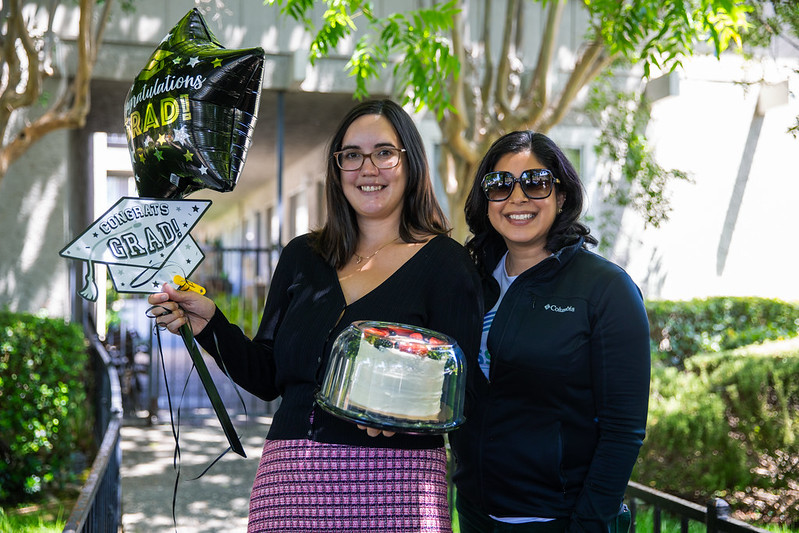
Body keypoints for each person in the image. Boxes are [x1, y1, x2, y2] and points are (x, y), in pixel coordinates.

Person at [148, 99, 482, 532]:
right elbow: (268, 378)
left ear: (411, 162)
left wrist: (408, 418)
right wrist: (210, 325)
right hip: (289, 482)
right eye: (351, 155)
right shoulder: (302, 256)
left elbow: (463, 390)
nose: (368, 168)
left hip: (397, 484)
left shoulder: (446, 265)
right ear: (337, 167)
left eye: (384, 152)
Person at [449, 130, 650, 532]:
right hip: (475, 514)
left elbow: (623, 432)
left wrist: (589, 524)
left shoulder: (606, 289)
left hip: (558, 520)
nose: (518, 197)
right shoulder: (469, 282)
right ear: (485, 200)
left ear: (561, 196)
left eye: (536, 183)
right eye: (500, 185)